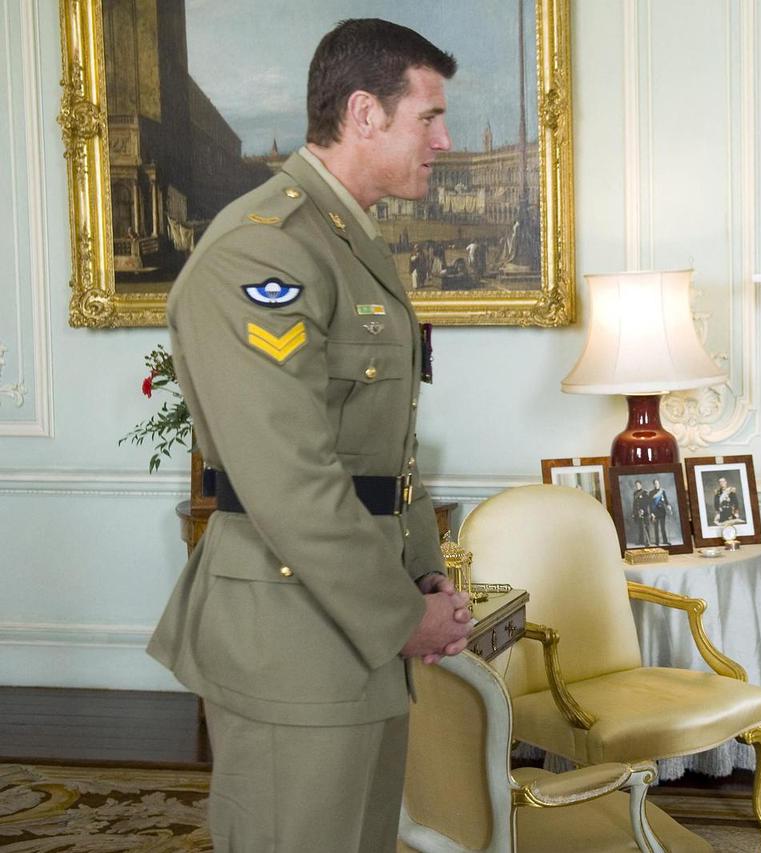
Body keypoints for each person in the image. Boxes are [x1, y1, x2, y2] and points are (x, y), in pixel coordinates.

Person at [147, 19, 471, 853]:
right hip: (292, 639)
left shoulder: (344, 239)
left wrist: (425, 574)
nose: (445, 140)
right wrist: (402, 614)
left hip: (352, 630)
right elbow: (290, 478)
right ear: (364, 112)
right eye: (428, 116)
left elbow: (379, 452)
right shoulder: (264, 252)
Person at [650, 477, 672, 546]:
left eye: (657, 483)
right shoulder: (651, 492)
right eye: (655, 483)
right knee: (656, 528)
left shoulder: (662, 491)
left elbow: (665, 500)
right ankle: (657, 542)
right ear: (653, 484)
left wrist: (668, 506)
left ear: (659, 484)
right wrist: (652, 513)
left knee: (663, 527)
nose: (656, 484)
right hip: (655, 512)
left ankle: (665, 541)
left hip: (662, 511)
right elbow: (650, 504)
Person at [630, 479, 651, 546]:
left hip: (644, 513)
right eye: (636, 485)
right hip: (638, 513)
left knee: (646, 527)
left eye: (638, 485)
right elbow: (634, 504)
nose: (637, 486)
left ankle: (647, 541)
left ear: (641, 485)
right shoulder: (635, 493)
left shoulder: (645, 492)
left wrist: (643, 510)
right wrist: (633, 513)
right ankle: (641, 541)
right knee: (640, 527)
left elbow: (647, 502)